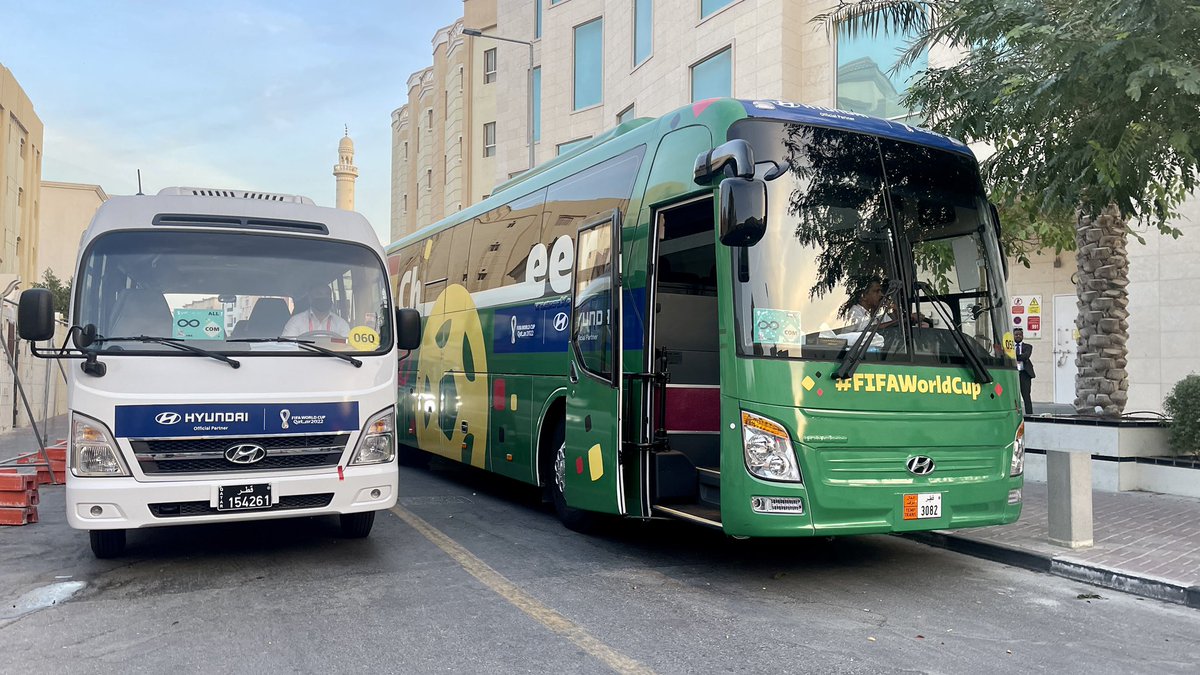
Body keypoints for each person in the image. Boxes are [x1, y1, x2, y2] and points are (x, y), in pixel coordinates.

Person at [845, 281, 931, 332]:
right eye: (877, 291)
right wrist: (907, 318)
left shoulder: (873, 314)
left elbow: (893, 324)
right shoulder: (854, 312)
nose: (881, 295)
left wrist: (896, 310)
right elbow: (871, 329)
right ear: (863, 296)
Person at [282, 286, 350, 338]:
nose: (324, 297)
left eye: (327, 294)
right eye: (319, 294)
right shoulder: (296, 321)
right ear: (310, 298)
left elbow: (346, 346)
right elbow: (288, 346)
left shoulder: (341, 324)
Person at [1014, 327, 1036, 415]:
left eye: (1020, 335)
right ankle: (1015, 414)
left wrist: (1014, 356)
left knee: (1026, 396)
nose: (1018, 336)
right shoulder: (1009, 347)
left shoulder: (1028, 346)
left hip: (1024, 374)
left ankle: (1029, 414)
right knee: (1014, 396)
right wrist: (1019, 356)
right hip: (1013, 374)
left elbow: (1026, 356)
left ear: (1022, 336)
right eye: (1016, 335)